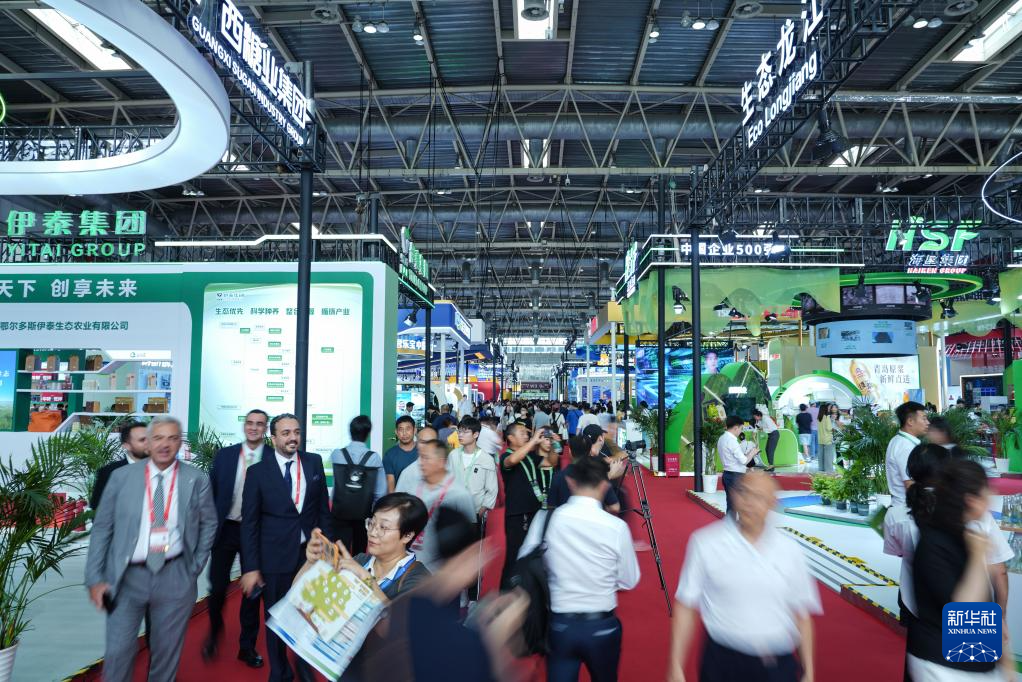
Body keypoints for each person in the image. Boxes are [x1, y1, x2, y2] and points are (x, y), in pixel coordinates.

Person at [84, 416, 218, 682]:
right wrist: (94, 578)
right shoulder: (121, 477)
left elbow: (209, 523)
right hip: (126, 578)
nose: (165, 444)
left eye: (172, 438)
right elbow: (102, 528)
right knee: (119, 652)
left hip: (175, 576)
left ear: (179, 443)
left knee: (166, 654)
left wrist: (194, 567)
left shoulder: (195, 479)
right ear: (148, 443)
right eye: (158, 438)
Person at [669, 472, 821, 682]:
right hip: (723, 663)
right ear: (733, 495)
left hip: (777, 665)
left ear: (772, 503)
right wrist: (675, 666)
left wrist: (808, 671)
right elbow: (686, 605)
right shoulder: (706, 542)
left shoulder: (790, 549)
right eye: (744, 493)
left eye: (758, 497)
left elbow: (801, 614)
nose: (749, 502)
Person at [888, 446, 1013, 680]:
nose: (991, 498)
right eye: (987, 492)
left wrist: (1002, 661)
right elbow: (964, 608)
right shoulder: (935, 543)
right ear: (971, 500)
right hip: (942, 665)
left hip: (969, 659)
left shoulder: (964, 534)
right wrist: (977, 557)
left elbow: (982, 603)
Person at [520, 456, 639, 682]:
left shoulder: (546, 519)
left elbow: (526, 560)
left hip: (559, 624)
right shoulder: (616, 527)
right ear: (604, 485)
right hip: (602, 625)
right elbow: (629, 580)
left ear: (571, 482)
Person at [297, 493, 431, 681]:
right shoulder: (360, 560)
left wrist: (367, 581)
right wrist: (311, 562)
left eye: (383, 527)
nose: (373, 532)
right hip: (344, 668)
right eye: (372, 523)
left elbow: (399, 632)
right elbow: (301, 597)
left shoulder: (418, 579)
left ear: (407, 535)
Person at [240, 413, 334, 682]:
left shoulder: (314, 462)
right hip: (274, 559)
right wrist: (251, 567)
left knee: (310, 616)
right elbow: (249, 524)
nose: (293, 438)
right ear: (273, 438)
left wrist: (328, 552)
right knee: (278, 619)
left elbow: (323, 511)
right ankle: (280, 673)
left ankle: (304, 668)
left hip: (310, 557)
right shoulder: (258, 473)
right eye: (286, 433)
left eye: (297, 432)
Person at [203, 409, 269, 667]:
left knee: (252, 591)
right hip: (226, 529)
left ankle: (247, 646)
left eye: (259, 424)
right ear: (244, 426)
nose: (254, 427)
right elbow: (211, 492)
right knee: (217, 587)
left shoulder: (272, 458)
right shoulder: (225, 455)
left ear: (265, 429)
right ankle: (214, 630)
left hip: (256, 533)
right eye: (250, 423)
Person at [396, 438, 476, 571]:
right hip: (408, 563)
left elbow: (469, 536)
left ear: (441, 462)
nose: (421, 463)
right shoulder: (412, 487)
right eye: (421, 457)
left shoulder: (459, 494)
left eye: (426, 458)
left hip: (440, 570)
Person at [498, 422, 552, 588]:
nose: (526, 435)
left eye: (527, 433)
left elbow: (551, 462)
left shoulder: (529, 456)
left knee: (532, 555)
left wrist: (552, 443)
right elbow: (512, 460)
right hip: (518, 513)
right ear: (510, 438)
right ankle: (506, 592)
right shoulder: (505, 456)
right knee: (515, 555)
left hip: (535, 511)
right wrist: (534, 441)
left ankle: (527, 591)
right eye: (522, 433)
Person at [331, 415, 387, 555]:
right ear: (368, 433)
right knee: (360, 553)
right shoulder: (374, 458)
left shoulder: (337, 454)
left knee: (339, 551)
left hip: (340, 512)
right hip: (364, 513)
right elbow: (380, 492)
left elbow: (336, 485)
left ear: (350, 431)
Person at [90, 420, 149, 509]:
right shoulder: (109, 473)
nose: (148, 443)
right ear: (126, 445)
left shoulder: (162, 468)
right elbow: (98, 509)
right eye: (142, 440)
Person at [449, 416, 499, 520]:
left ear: (475, 434)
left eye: (465, 432)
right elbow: (448, 480)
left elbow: (492, 489)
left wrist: (483, 509)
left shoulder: (486, 459)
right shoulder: (453, 455)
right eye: (459, 431)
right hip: (454, 509)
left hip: (475, 510)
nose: (460, 435)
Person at [885, 401, 930, 507]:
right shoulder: (906, 446)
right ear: (910, 421)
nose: (928, 422)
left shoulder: (899, 440)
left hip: (904, 506)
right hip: (908, 508)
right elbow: (910, 485)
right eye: (924, 418)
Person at [717, 416, 757, 518]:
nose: (741, 431)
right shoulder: (731, 441)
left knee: (732, 505)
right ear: (736, 428)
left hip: (727, 474)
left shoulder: (722, 438)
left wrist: (747, 455)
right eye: (741, 428)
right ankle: (736, 526)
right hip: (736, 476)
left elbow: (736, 458)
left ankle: (730, 525)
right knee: (740, 505)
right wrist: (752, 453)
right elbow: (744, 461)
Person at [385, 415, 419, 493]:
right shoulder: (389, 455)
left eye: (408, 429)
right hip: (400, 498)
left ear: (414, 431)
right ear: (396, 432)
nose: (404, 433)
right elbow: (391, 486)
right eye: (401, 429)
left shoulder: (423, 451)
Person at [817, 402, 835, 473]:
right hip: (827, 439)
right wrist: (832, 428)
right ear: (825, 409)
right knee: (828, 456)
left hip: (820, 439)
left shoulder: (819, 418)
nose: (829, 409)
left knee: (821, 455)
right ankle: (829, 470)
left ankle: (821, 468)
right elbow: (829, 428)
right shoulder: (827, 417)